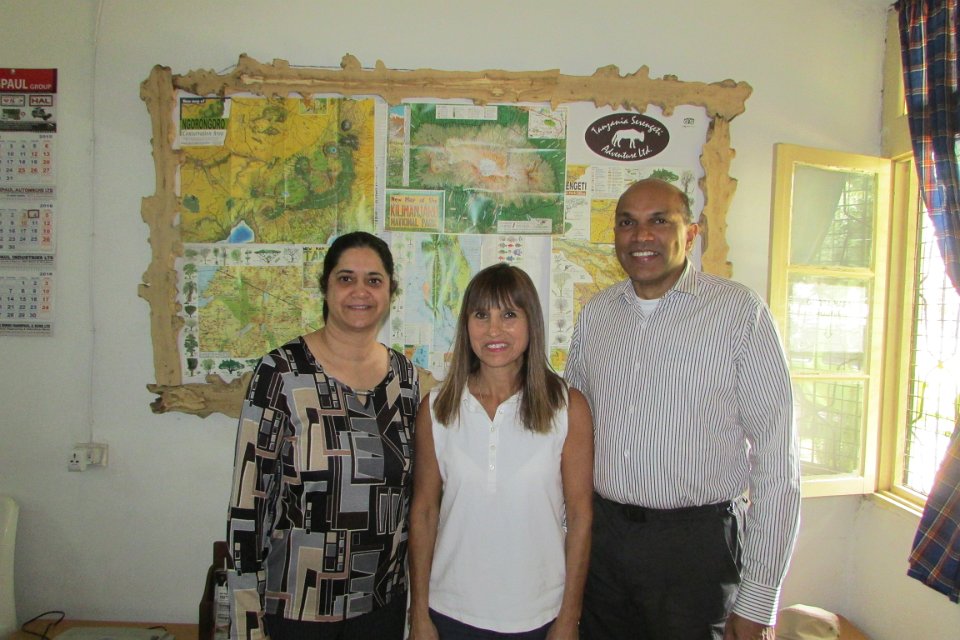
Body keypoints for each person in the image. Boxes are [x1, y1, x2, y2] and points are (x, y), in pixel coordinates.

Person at [565, 178, 801, 640]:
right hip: (604, 545)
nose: (641, 235)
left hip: (697, 551)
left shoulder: (739, 313)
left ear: (691, 234)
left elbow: (778, 462)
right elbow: (572, 435)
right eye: (627, 223)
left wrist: (758, 599)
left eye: (659, 221)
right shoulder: (597, 316)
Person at [226, 231, 419, 640]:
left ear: (390, 292)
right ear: (326, 288)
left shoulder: (405, 379)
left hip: (381, 606)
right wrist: (247, 620)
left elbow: (412, 497)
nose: (360, 291)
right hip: (298, 609)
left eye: (374, 280)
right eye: (346, 278)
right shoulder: (281, 373)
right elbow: (249, 503)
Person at [408, 263, 594, 640]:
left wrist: (569, 618)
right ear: (466, 325)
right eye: (481, 315)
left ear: (531, 323)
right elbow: (424, 513)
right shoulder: (437, 408)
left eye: (509, 314)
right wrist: (419, 614)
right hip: (451, 611)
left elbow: (580, 517)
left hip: (540, 615)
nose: (494, 330)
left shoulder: (567, 406)